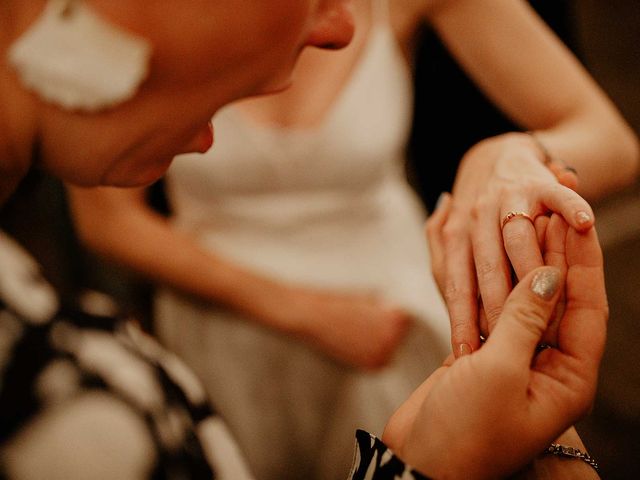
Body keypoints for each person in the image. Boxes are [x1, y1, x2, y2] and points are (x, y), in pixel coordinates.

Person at [0, 0, 611, 479]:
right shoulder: (82, 401)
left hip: (394, 314)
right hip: (221, 332)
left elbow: (605, 133)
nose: (338, 26)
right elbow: (109, 223)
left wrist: (506, 154)